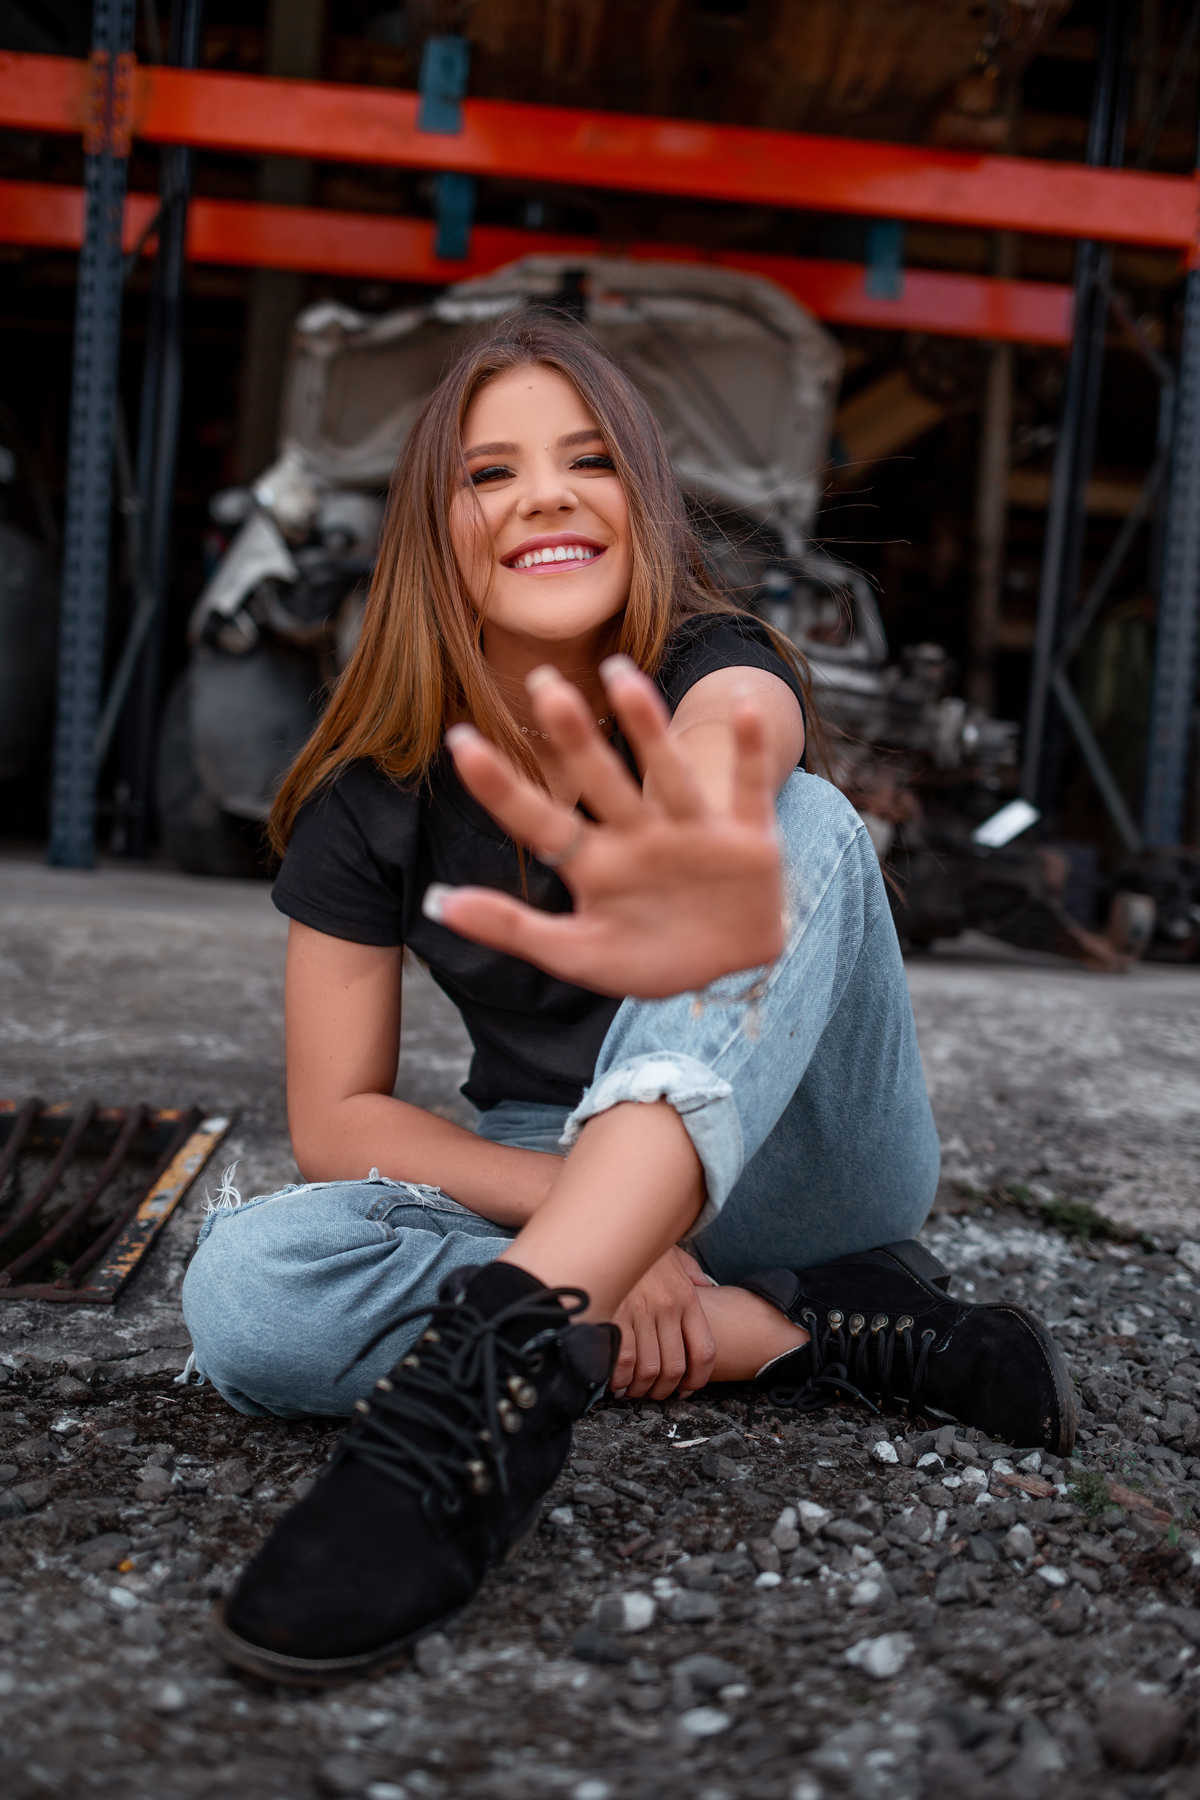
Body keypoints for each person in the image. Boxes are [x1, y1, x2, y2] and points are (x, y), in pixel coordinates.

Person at [181, 319, 1075, 1686]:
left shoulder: (711, 666)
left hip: (805, 1165)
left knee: (803, 818)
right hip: (558, 1159)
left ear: (639, 504)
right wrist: (608, 1220)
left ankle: (479, 1397)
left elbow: (740, 734)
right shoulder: (367, 795)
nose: (543, 492)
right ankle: (795, 1331)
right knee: (248, 1293)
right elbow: (338, 1117)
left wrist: (702, 806)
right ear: (434, 528)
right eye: (490, 474)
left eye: (586, 459)